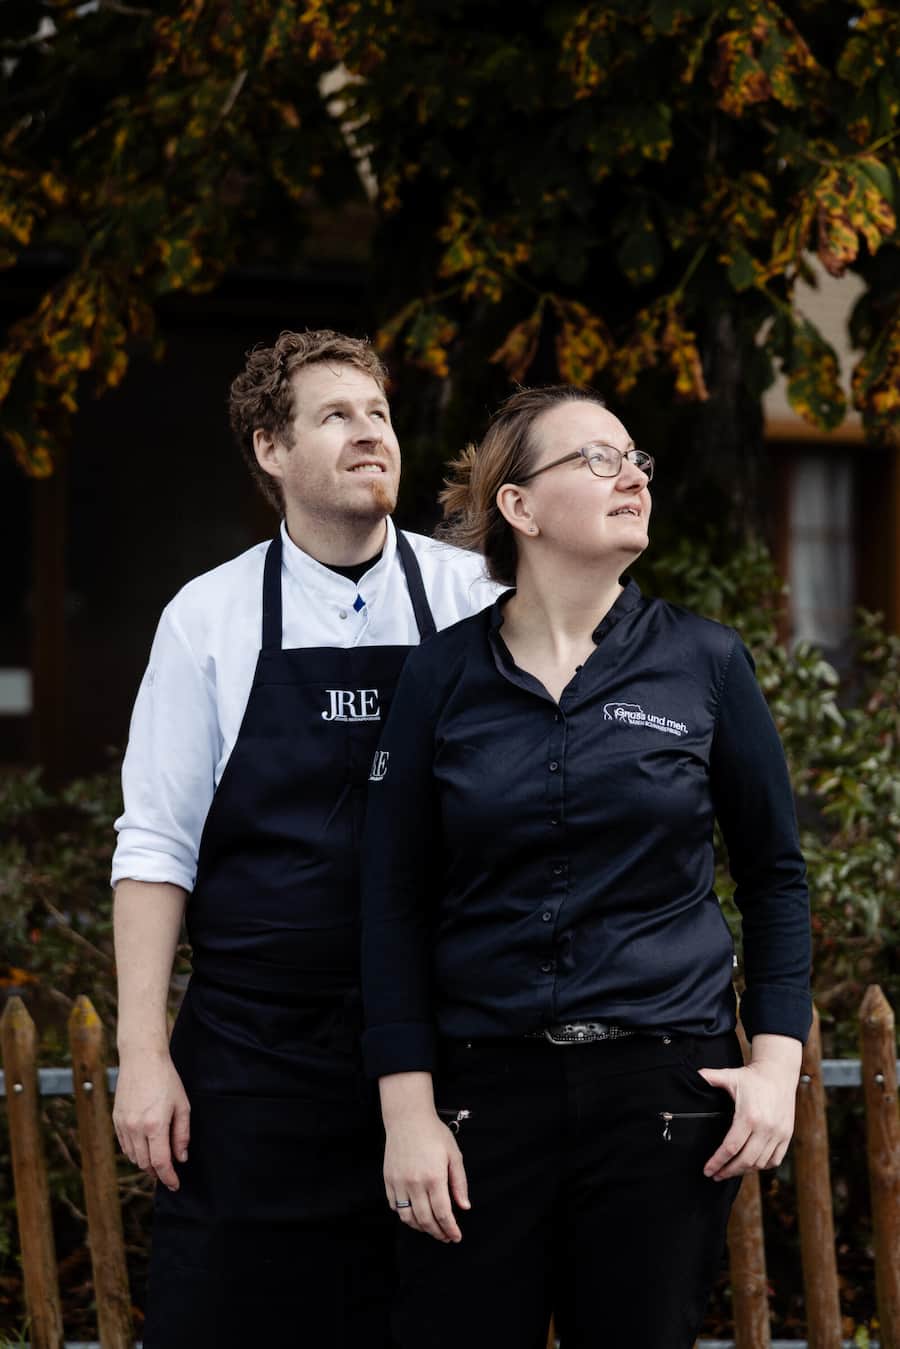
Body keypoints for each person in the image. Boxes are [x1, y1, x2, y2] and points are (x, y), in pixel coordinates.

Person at [361, 385, 812, 1349]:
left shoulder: (706, 662)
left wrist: (776, 1063)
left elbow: (775, 873)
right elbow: (390, 900)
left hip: (661, 1094)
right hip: (480, 1099)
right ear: (519, 507)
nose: (633, 475)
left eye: (637, 458)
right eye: (597, 459)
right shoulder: (439, 677)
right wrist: (407, 1110)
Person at [110, 329, 500, 1348]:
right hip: (254, 1055)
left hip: (439, 1048)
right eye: (336, 415)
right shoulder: (209, 616)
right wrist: (143, 1051)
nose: (370, 432)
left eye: (377, 413)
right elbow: (155, 844)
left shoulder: (474, 600)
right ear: (269, 450)